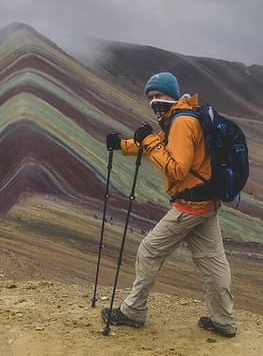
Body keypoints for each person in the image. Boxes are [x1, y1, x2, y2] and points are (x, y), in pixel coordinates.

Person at [101, 72, 236, 338]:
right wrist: (123, 145)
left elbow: (176, 169)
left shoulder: (183, 122)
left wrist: (148, 140)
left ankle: (133, 311)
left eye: (159, 96)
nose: (154, 101)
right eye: (150, 97)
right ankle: (224, 321)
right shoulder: (184, 116)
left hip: (189, 205)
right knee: (213, 262)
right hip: (206, 203)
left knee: (149, 251)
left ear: (172, 95)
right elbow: (163, 146)